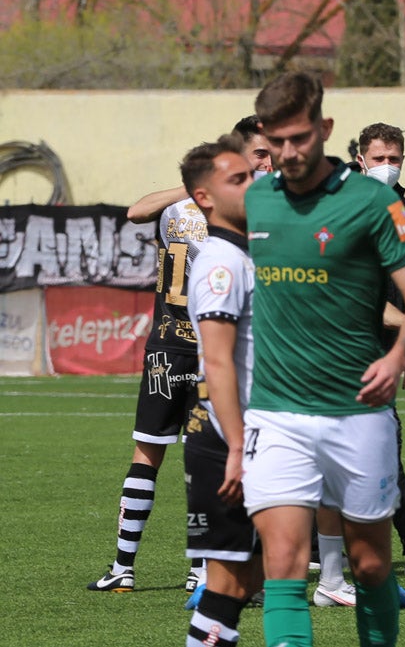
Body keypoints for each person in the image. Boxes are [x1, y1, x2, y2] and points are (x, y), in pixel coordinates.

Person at [244, 71, 405, 647]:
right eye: (277, 141)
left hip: (357, 410)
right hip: (277, 413)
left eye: (300, 138)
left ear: (325, 129)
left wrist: (399, 355)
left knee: (371, 564)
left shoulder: (375, 201)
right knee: (283, 562)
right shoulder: (253, 199)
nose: (288, 153)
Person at [88, 179, 208, 593]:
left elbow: (137, 210)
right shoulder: (234, 210)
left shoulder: (174, 209)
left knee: (152, 455)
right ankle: (198, 570)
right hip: (208, 350)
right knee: (200, 461)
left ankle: (124, 567)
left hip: (169, 348)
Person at [180, 134, 263, 645]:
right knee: (229, 583)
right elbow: (216, 362)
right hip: (230, 441)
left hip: (260, 435)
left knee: (260, 574)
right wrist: (237, 447)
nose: (253, 185)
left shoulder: (246, 252)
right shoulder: (220, 263)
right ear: (204, 197)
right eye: (238, 179)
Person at [355, 121, 405, 568]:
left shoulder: (401, 206)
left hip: (379, 350)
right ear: (361, 160)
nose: (387, 166)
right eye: (379, 158)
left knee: (379, 451)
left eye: (394, 159)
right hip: (344, 347)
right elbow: (356, 293)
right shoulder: (348, 207)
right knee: (377, 453)